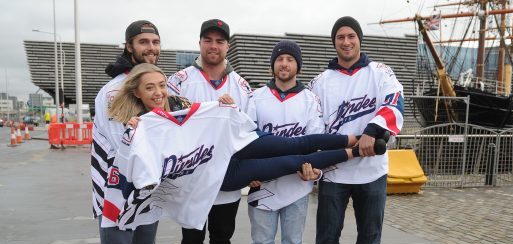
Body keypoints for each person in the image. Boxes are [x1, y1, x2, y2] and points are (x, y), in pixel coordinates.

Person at [103, 63, 362, 230]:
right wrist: (134, 134)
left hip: (234, 147)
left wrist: (225, 107)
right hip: (221, 175)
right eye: (150, 88)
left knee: (294, 144)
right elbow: (135, 173)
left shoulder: (180, 103)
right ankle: (354, 152)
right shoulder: (138, 127)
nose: (158, 92)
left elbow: (208, 114)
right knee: (291, 163)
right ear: (137, 93)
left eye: (161, 85)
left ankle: (354, 140)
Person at [308, 16, 404, 244]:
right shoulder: (321, 81)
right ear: (334, 42)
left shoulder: (380, 72)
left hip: (372, 170)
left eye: (351, 36)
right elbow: (313, 123)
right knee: (327, 235)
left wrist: (371, 132)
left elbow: (394, 103)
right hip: (335, 172)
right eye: (340, 37)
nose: (346, 42)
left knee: (369, 234)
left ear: (359, 39)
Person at [167, 19, 252, 244]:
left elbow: (248, 132)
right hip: (191, 180)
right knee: (192, 240)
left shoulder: (240, 85)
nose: (213, 45)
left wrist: (249, 172)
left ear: (227, 46)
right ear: (199, 43)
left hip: (226, 179)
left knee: (222, 239)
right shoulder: (178, 80)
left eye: (219, 40)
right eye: (208, 39)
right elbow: (168, 122)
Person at [90, 20, 171, 244]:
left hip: (149, 183)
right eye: (143, 42)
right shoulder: (113, 90)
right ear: (129, 47)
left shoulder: (159, 84)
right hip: (116, 185)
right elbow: (122, 144)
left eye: (154, 41)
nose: (150, 47)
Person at [246, 40, 323, 244]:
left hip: (296, 184)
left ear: (297, 66)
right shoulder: (255, 97)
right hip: (263, 185)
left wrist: (314, 168)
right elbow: (245, 140)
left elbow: (315, 141)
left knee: (293, 242)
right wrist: (249, 172)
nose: (284, 64)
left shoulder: (310, 99)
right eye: (280, 59)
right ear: (273, 64)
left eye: (290, 59)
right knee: (261, 241)